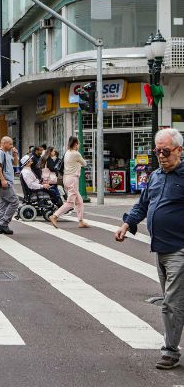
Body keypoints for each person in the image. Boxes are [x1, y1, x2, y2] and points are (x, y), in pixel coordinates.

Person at [115, 128, 184, 371]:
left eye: (166, 151)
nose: (161, 156)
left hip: (180, 249)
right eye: (157, 151)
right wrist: (127, 223)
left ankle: (170, 351)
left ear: (179, 150)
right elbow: (143, 204)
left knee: (172, 304)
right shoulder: (155, 176)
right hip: (160, 249)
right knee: (174, 301)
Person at [49, 137, 88, 228]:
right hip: (72, 179)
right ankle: (55, 216)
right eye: (79, 143)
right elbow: (85, 164)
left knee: (79, 201)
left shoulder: (67, 152)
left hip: (66, 179)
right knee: (70, 203)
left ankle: (81, 221)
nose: (80, 144)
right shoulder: (76, 154)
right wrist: (79, 163)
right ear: (75, 144)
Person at [0, 136, 20, 235]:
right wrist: (3, 180)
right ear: (4, 143)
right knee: (14, 202)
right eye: (10, 144)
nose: (11, 146)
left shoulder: (6, 153)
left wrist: (15, 154)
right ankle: (3, 223)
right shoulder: (0, 153)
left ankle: (0, 227)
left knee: (4, 205)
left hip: (8, 181)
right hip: (5, 182)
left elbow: (15, 163)